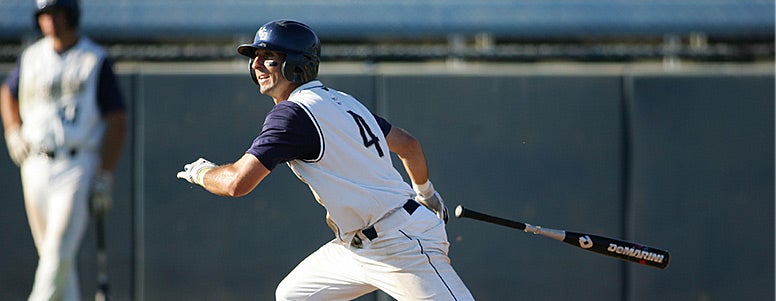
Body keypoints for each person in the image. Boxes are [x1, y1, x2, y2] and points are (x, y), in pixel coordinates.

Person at [177, 19, 474, 300]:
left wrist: (203, 172)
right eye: (254, 56)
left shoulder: (292, 114)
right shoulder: (341, 100)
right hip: (359, 245)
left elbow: (237, 183)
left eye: (269, 56)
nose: (256, 64)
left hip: (399, 243)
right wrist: (425, 191)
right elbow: (408, 145)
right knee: (294, 295)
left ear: (296, 65)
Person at [0, 0, 126, 300]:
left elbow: (118, 121)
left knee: (56, 252)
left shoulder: (94, 58)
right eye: (45, 15)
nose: (50, 21)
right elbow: (8, 92)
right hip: (34, 162)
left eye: (56, 13)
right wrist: (12, 130)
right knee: (55, 258)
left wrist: (104, 175)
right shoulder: (32, 56)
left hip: (77, 162)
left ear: (70, 15)